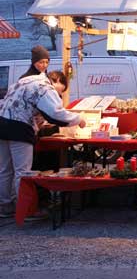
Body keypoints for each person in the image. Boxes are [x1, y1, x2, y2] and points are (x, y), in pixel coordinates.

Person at [0, 72, 86, 218]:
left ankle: (5, 207)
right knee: (22, 172)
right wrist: (79, 119)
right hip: (20, 128)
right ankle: (25, 210)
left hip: (2, 123)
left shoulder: (27, 80)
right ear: (56, 80)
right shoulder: (45, 87)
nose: (58, 96)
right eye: (60, 91)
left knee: (5, 170)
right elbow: (55, 112)